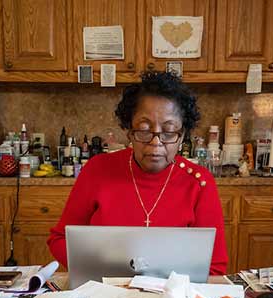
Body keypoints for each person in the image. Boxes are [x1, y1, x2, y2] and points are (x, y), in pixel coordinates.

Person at [47, 71, 228, 275]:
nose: (155, 143)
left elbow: (214, 266)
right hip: (105, 292)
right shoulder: (97, 170)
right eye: (144, 130)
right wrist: (96, 268)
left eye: (168, 132)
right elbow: (60, 239)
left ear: (182, 135)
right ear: (129, 131)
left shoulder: (199, 182)